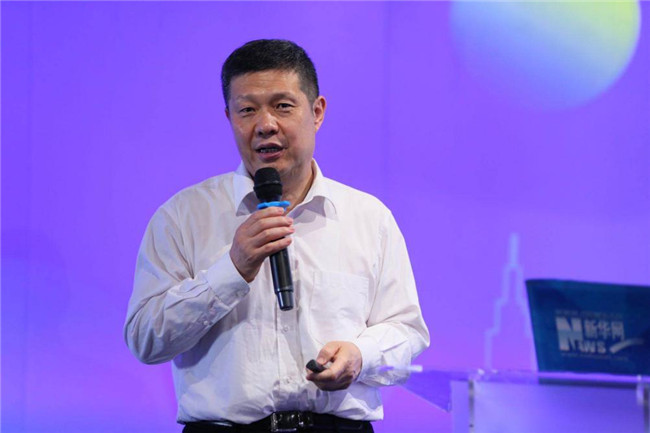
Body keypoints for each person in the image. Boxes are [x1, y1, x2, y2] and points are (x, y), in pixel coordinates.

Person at [124, 39, 429, 433]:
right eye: (247, 110)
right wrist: (231, 270)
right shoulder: (183, 216)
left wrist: (360, 355)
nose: (265, 124)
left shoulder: (369, 218)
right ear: (229, 117)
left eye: (282, 106)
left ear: (317, 112)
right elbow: (145, 339)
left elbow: (407, 332)